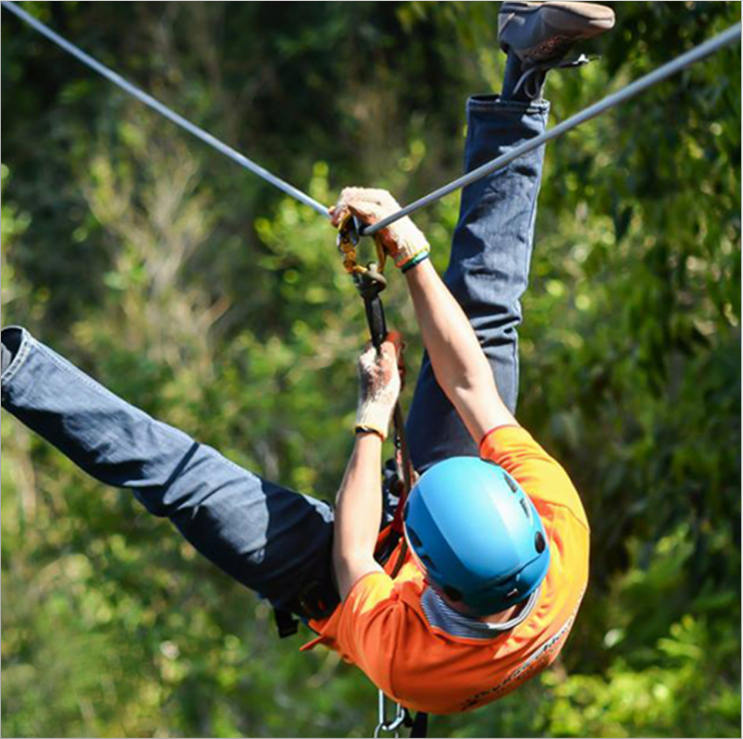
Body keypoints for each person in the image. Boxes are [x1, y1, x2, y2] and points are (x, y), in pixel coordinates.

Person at [1, 0, 614, 720]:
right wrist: (409, 250)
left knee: (184, 482)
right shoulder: (558, 521)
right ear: (523, 518)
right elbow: (470, 381)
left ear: (427, 575)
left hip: (342, 583)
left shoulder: (412, 664)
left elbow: (355, 555)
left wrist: (372, 418)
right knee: (486, 317)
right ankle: (526, 71)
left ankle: (9, 369)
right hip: (445, 560)